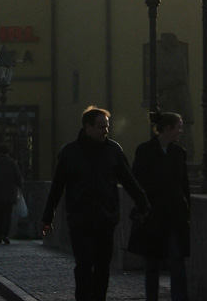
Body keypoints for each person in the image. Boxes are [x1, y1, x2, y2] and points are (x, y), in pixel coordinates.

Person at [41, 105, 148, 301]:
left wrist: (144, 204)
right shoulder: (70, 153)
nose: (105, 131)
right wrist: (48, 217)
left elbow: (129, 181)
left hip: (105, 219)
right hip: (80, 219)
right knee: (83, 264)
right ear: (87, 127)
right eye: (101, 127)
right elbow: (57, 187)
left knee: (102, 266)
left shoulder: (113, 150)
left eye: (106, 127)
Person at [129, 111, 190, 301]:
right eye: (178, 127)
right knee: (152, 263)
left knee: (177, 260)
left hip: (174, 216)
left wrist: (187, 212)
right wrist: (142, 207)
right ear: (167, 128)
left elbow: (184, 186)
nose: (181, 131)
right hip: (153, 215)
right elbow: (135, 181)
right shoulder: (145, 151)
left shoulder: (180, 153)